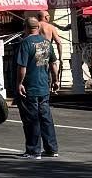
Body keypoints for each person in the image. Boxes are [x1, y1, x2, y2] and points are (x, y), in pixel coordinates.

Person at [13, 12, 59, 159]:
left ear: (26, 28)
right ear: (38, 27)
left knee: (31, 118)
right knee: (46, 118)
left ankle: (34, 150)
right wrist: (55, 80)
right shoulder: (46, 43)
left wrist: (19, 83)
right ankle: (51, 149)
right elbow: (53, 64)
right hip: (43, 86)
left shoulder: (25, 43)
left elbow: (22, 67)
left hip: (30, 87)